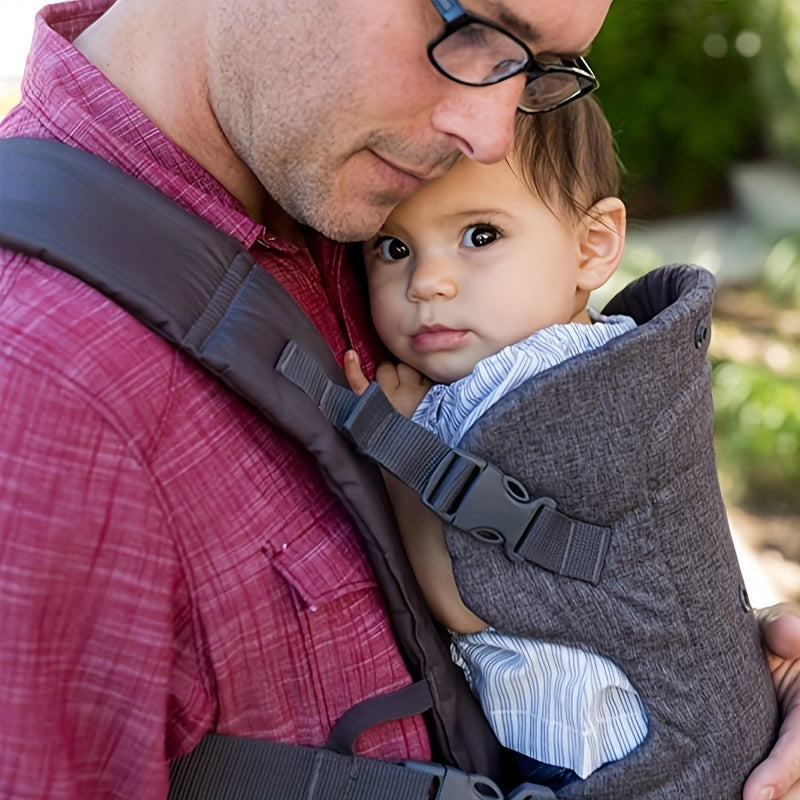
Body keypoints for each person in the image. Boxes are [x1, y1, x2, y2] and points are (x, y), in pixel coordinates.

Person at [0, 1, 797, 799]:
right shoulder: (45, 387)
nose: (489, 134)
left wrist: (745, 692)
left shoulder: (350, 179)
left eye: (536, 66)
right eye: (472, 25)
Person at [340, 95, 768, 794]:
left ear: (592, 246)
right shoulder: (594, 361)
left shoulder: (537, 387)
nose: (427, 283)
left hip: (619, 755)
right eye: (393, 248)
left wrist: (396, 452)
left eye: (480, 235)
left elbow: (465, 600)